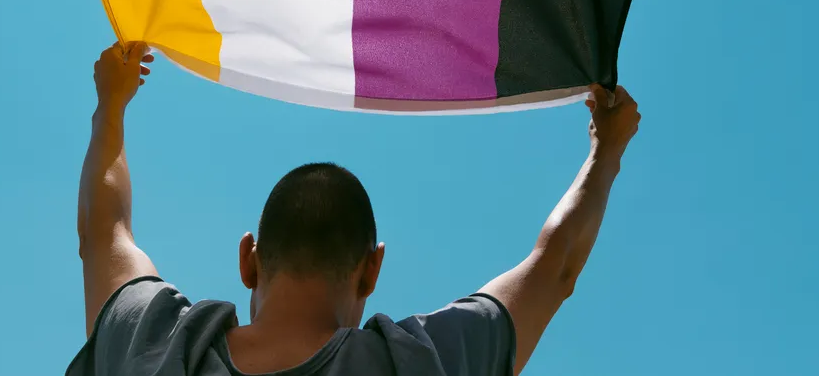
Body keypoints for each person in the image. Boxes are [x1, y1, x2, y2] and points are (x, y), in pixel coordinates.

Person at [67, 42, 641, 376]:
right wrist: (605, 150)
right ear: (372, 268)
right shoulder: (417, 365)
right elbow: (554, 266)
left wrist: (109, 105)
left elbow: (104, 232)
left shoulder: (155, 346)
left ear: (249, 260)